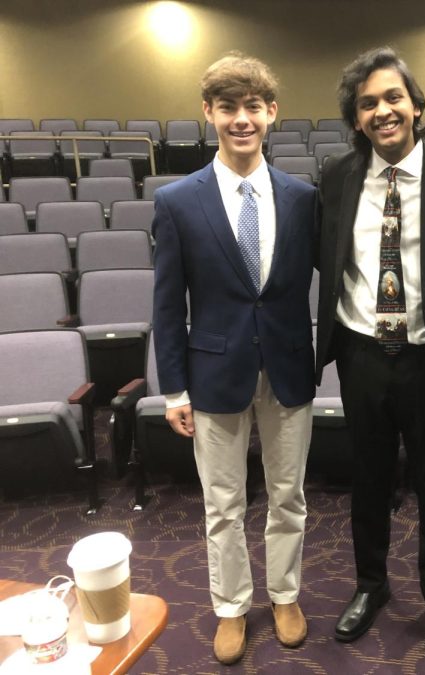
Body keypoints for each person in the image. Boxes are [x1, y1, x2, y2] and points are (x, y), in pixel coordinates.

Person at [315, 46, 425, 659]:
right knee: (369, 477)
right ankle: (370, 584)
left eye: (392, 98)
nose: (382, 111)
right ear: (355, 118)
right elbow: (328, 259)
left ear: (416, 106)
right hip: (361, 354)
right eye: (367, 104)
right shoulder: (336, 179)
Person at [152, 52, 316, 665]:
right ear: (209, 113)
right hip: (213, 372)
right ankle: (230, 607)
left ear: (271, 113)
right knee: (222, 502)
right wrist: (173, 389)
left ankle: (285, 594)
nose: (241, 119)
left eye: (253, 107)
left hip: (288, 368)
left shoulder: (302, 198)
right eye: (228, 108)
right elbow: (167, 305)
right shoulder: (177, 201)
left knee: (288, 495)